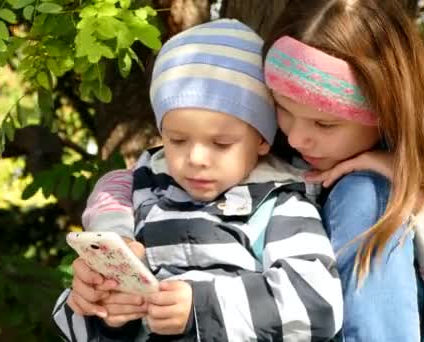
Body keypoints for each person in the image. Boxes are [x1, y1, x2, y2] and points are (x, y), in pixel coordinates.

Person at [75, 0, 424, 340]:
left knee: (364, 192)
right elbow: (142, 171)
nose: (300, 139)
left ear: (385, 109)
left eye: (325, 124)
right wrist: (115, 236)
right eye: (284, 112)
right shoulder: (289, 110)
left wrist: (408, 179)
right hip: (296, 314)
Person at [52, 19, 343, 341]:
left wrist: (200, 309)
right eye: (177, 140)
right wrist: (107, 316)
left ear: (262, 139)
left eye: (221, 144)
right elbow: (75, 327)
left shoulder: (280, 203)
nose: (196, 159)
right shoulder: (140, 201)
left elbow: (318, 304)